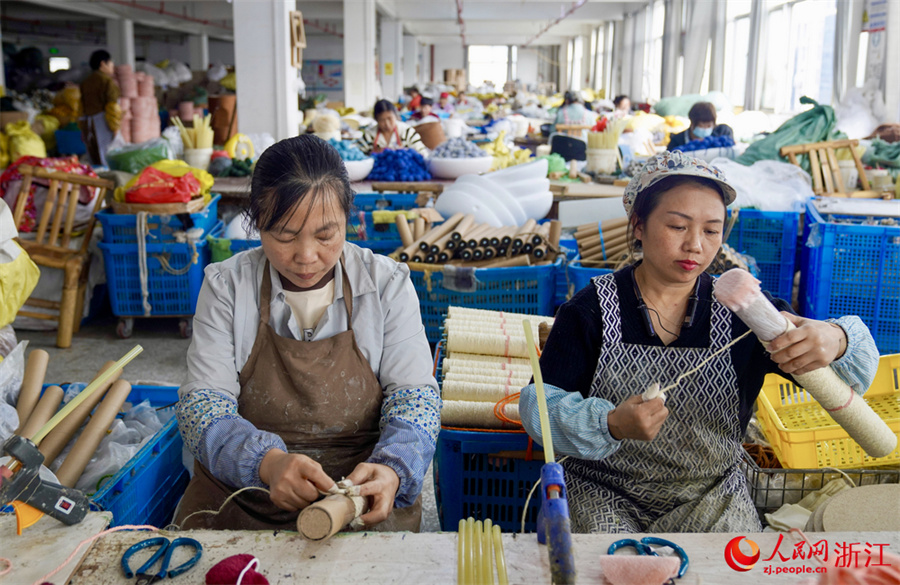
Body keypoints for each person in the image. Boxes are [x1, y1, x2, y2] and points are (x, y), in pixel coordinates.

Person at [519, 151, 879, 534]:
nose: (695, 245)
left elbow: (854, 378)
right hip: (601, 490)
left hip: (711, 496)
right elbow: (538, 406)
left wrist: (836, 339)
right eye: (677, 226)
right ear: (638, 225)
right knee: (604, 566)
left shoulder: (747, 312)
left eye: (711, 231)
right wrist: (610, 424)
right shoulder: (591, 309)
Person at [175, 135, 440, 531]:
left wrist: (393, 468)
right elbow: (202, 407)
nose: (305, 256)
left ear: (349, 219)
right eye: (283, 235)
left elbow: (415, 397)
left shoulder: (386, 284)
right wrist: (265, 463)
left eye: (325, 235)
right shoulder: (227, 285)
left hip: (358, 506)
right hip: (243, 504)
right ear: (256, 222)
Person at [80, 50, 120, 167]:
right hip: (103, 121)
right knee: (106, 153)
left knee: (93, 153)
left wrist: (81, 124)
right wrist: (115, 126)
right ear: (103, 64)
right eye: (111, 62)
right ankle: (107, 180)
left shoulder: (86, 82)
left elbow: (81, 106)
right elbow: (113, 107)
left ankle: (94, 178)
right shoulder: (106, 82)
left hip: (88, 122)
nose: (113, 65)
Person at [358, 100, 428, 156]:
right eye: (382, 120)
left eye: (390, 118)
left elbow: (422, 153)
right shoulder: (369, 135)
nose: (387, 124)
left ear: (396, 116)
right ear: (376, 120)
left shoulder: (407, 131)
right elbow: (359, 155)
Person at [667, 101, 733, 150]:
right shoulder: (677, 141)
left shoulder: (722, 133)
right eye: (701, 126)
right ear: (692, 124)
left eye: (709, 126)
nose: (705, 129)